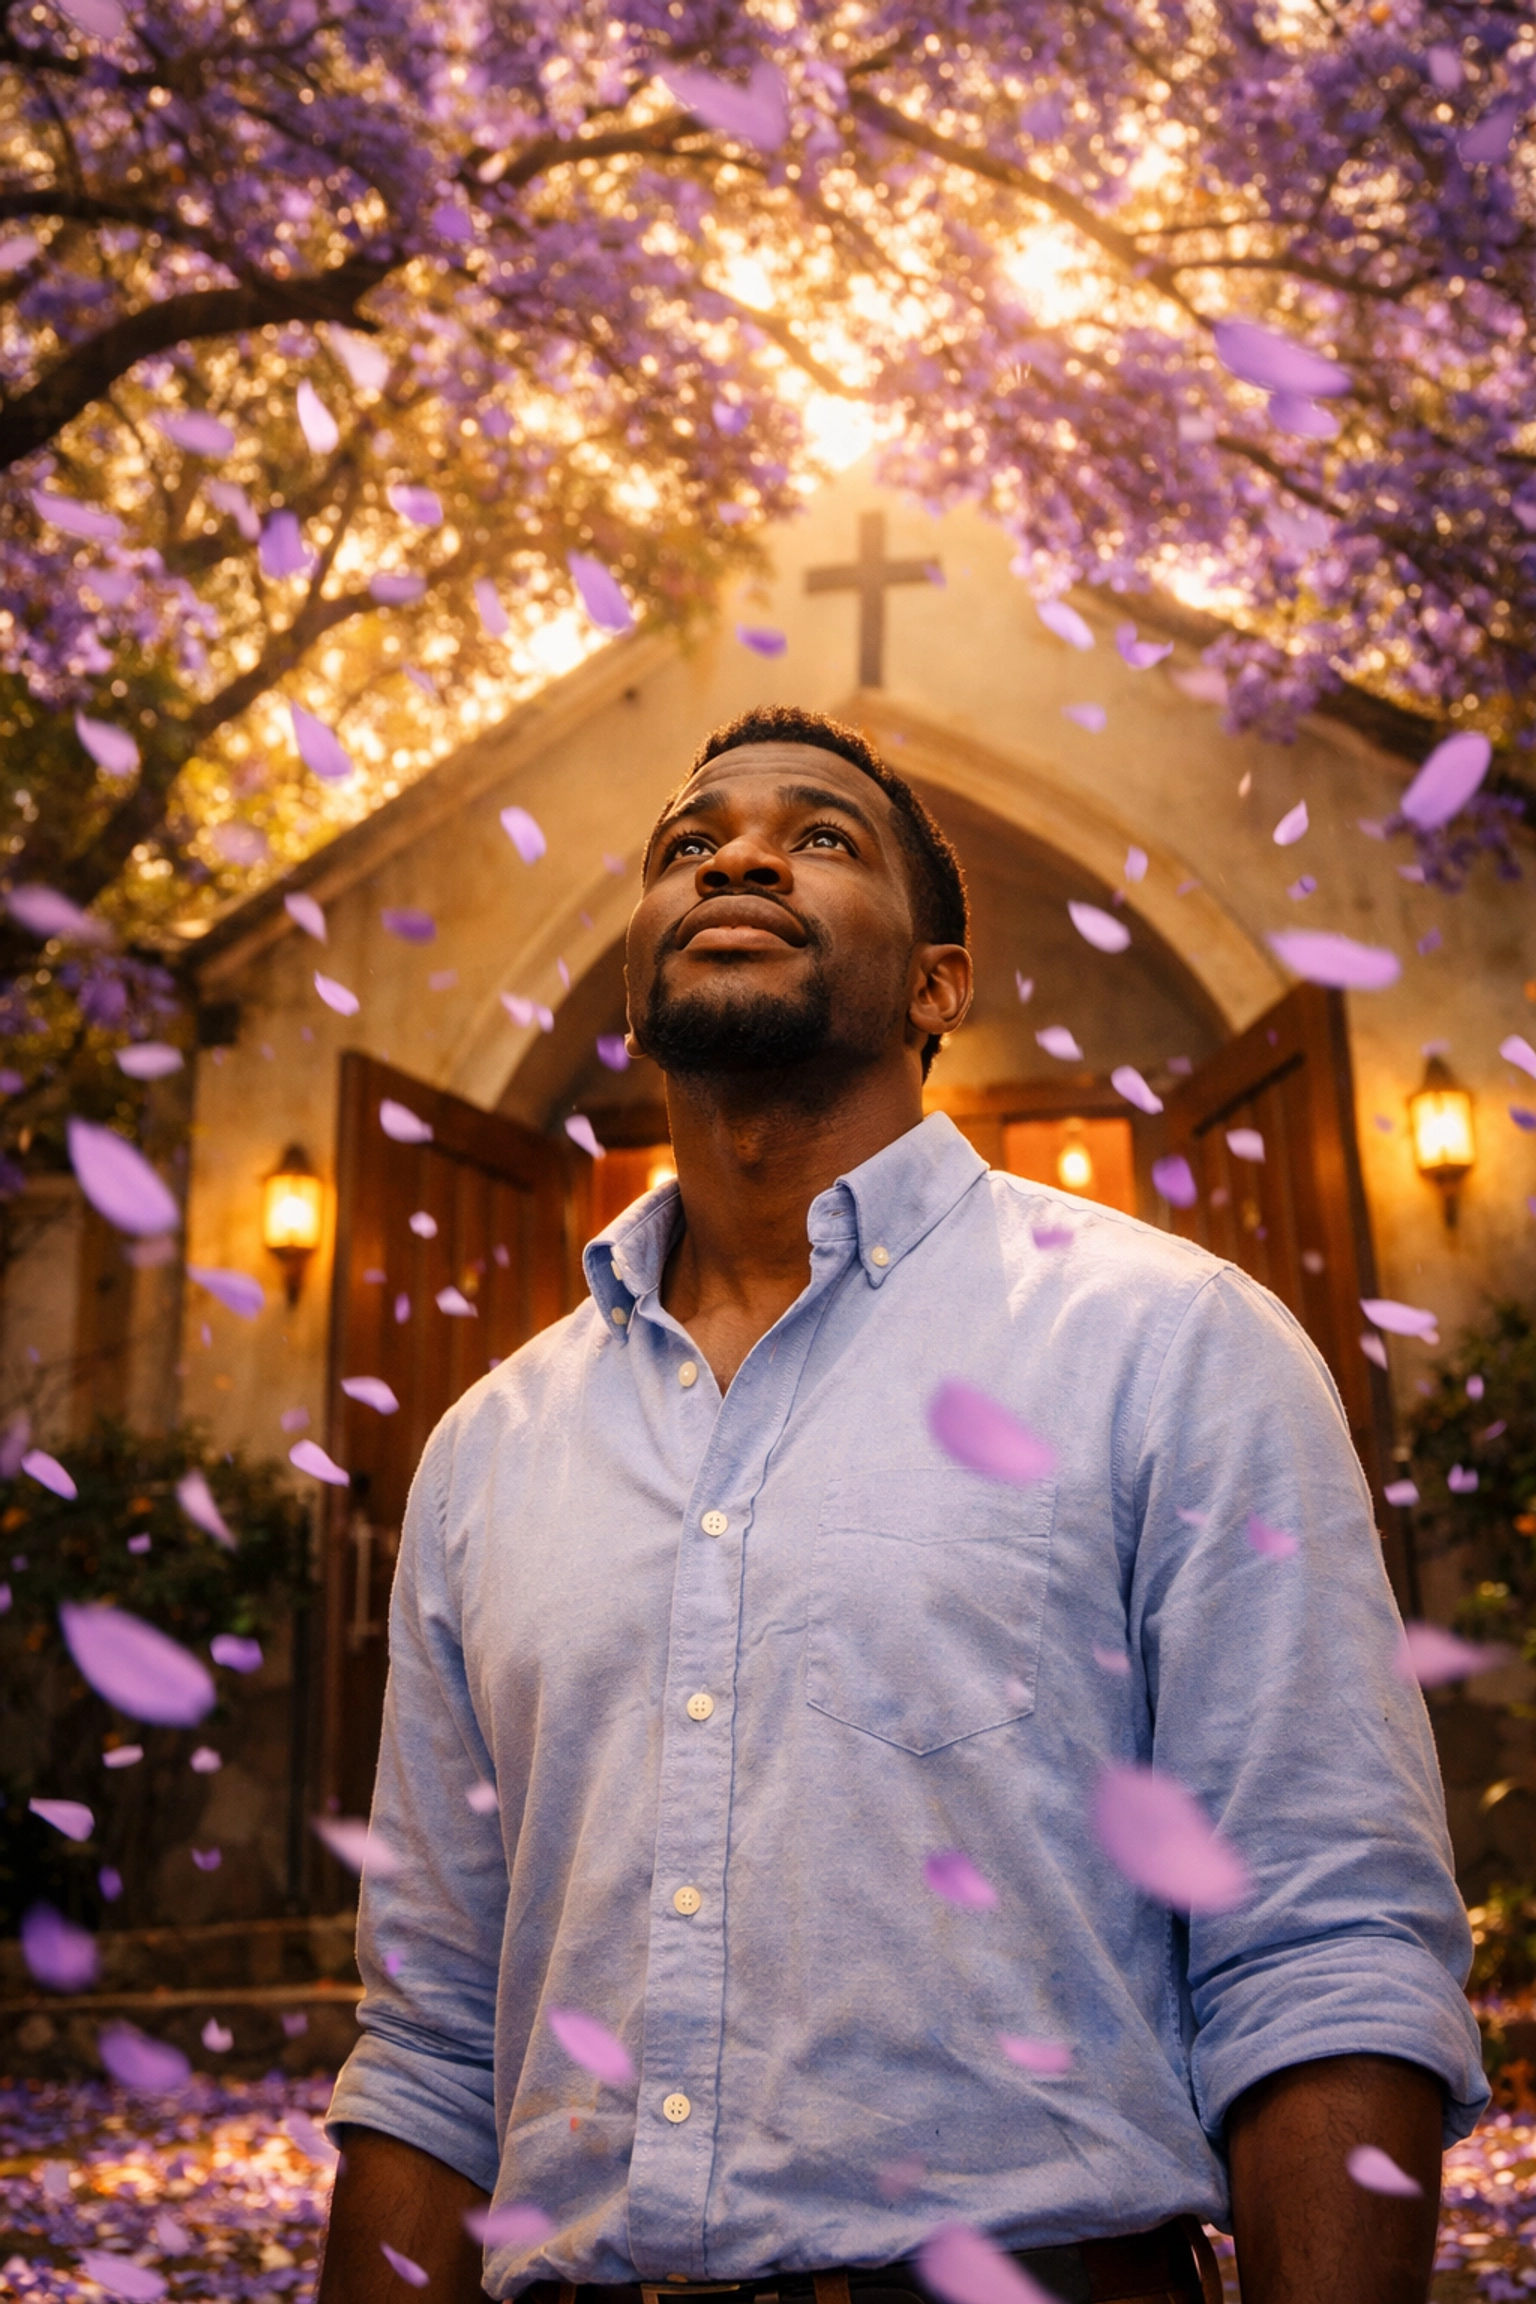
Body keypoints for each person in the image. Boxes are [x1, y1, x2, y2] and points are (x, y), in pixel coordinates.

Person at [319, 705, 1485, 2304]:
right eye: (690, 844)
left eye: (819, 838)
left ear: (937, 984)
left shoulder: (1166, 1345)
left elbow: (1322, 1953)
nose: (736, 853)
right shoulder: (485, 1451)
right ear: (645, 968)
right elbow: (437, 2042)